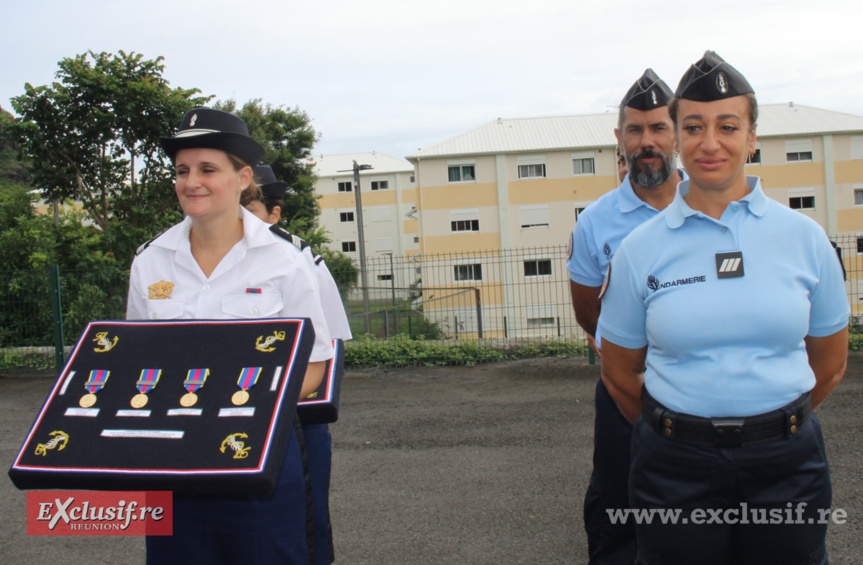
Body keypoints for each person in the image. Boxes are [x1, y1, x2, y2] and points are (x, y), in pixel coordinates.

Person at [599, 51, 849, 565]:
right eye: (693, 127)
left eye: (728, 126)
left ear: (752, 137)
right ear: (676, 136)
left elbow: (830, 363)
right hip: (674, 471)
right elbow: (620, 374)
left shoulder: (804, 238)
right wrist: (681, 433)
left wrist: (768, 426)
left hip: (788, 466)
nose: (710, 143)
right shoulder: (640, 249)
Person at [127, 107, 333, 565]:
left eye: (207, 169)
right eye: (182, 171)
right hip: (170, 458)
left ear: (242, 178)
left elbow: (314, 367)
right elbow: (136, 360)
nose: (191, 182)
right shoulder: (150, 262)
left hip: (258, 458)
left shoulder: (285, 261)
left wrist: (238, 408)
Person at [566, 68, 683, 565]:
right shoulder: (595, 222)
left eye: (658, 128)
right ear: (619, 139)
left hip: (699, 386)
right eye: (635, 130)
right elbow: (588, 312)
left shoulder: (715, 205)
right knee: (619, 505)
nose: (647, 141)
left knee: (702, 509)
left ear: (679, 132)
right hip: (624, 385)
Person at [244, 164, 352, 565]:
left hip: (293, 415)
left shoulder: (299, 257)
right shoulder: (166, 254)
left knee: (301, 523)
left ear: (275, 214)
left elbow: (330, 341)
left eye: (251, 210)